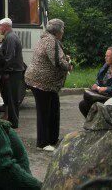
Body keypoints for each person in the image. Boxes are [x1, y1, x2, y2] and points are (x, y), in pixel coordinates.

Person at [24, 18, 72, 151]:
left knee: (53, 108)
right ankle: (43, 143)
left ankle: (52, 139)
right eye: (63, 29)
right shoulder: (51, 41)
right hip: (41, 83)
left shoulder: (46, 38)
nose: (63, 32)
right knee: (44, 111)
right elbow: (56, 61)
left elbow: (55, 57)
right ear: (59, 30)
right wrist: (68, 65)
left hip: (45, 83)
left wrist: (64, 58)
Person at [79, 46, 112, 117]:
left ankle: (97, 123)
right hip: (103, 95)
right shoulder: (106, 68)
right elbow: (100, 81)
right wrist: (96, 85)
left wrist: (107, 89)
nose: (105, 58)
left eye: (108, 56)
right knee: (83, 103)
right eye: (105, 56)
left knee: (95, 104)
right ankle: (92, 123)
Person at [0, 17, 25, 128]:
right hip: (13, 71)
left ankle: (13, 123)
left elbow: (9, 57)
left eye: (0, 26)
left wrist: (4, 70)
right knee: (9, 98)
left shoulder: (10, 38)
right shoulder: (9, 36)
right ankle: (11, 119)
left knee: (12, 98)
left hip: (13, 72)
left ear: (6, 26)